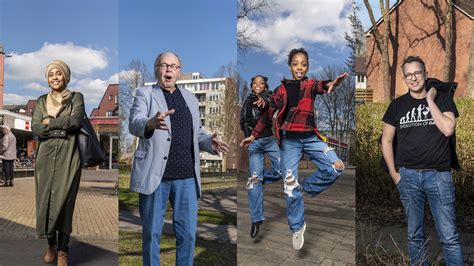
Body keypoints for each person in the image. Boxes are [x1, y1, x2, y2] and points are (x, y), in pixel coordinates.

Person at [240, 48, 348, 250]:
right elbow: (269, 110)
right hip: (289, 140)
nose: (300, 67)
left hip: (310, 137)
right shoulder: (281, 89)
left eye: (303, 64)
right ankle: (297, 227)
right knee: (289, 185)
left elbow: (322, 86)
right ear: (290, 66)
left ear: (307, 67)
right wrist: (254, 134)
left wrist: (331, 84)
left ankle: (304, 188)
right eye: (296, 64)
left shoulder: (310, 84)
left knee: (337, 167)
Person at [129, 52, 229, 266]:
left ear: (179, 71)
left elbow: (197, 133)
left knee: (188, 235)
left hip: (186, 178)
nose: (168, 70)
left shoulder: (190, 99)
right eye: (164, 65)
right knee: (152, 235)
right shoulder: (144, 94)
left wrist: (210, 142)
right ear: (156, 69)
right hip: (155, 176)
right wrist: (150, 122)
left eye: (173, 66)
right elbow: (134, 122)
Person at [381, 56, 463, 265]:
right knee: (414, 236)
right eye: (408, 75)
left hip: (439, 176)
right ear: (404, 78)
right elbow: (387, 140)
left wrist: (429, 100)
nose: (413, 78)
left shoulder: (442, 99)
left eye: (417, 73)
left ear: (425, 74)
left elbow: (447, 129)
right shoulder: (397, 105)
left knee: (449, 236)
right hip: (407, 177)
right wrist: (394, 174)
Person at [32, 60, 85, 266]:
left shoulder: (76, 98)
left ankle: (63, 251)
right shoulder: (40, 101)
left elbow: (75, 121)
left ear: (65, 76)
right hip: (44, 158)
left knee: (65, 203)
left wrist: (49, 123)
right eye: (50, 74)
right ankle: (51, 246)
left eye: (58, 74)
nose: (54, 77)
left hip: (69, 157)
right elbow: (36, 128)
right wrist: (61, 128)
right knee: (45, 202)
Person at [240, 75, 282, 238]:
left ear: (265, 86)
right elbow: (243, 121)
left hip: (269, 140)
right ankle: (256, 219)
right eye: (255, 83)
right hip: (254, 143)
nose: (258, 85)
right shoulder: (246, 102)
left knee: (281, 171)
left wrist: (265, 99)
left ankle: (257, 179)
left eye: (261, 83)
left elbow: (271, 101)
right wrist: (247, 135)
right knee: (254, 183)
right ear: (251, 86)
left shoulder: (268, 97)